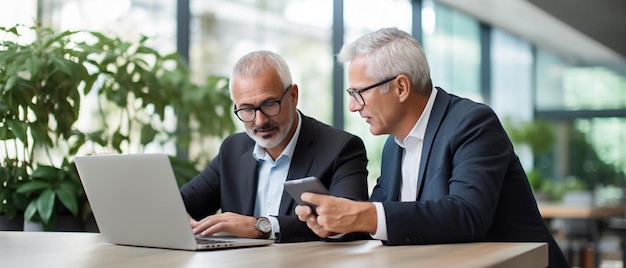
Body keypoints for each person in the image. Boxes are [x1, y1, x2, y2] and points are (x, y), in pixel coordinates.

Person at [294, 27, 569, 267]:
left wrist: (361, 215)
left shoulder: (472, 123)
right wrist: (338, 225)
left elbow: (467, 215)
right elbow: (388, 219)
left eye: (359, 93)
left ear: (401, 87)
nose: (353, 106)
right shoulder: (393, 145)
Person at [180, 50, 369, 243]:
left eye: (269, 104)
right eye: (246, 109)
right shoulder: (232, 149)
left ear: (293, 96)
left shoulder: (341, 148)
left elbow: (352, 222)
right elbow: (180, 204)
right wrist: (176, 219)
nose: (260, 121)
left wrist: (260, 226)